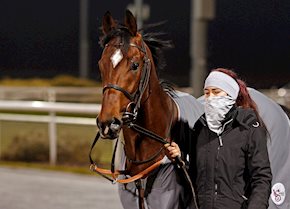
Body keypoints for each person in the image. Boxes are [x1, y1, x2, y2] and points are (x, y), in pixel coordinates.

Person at [166, 68, 272, 209]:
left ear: (231, 95)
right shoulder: (200, 128)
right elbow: (194, 177)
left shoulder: (248, 128)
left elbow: (261, 178)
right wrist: (180, 159)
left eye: (216, 92)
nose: (210, 98)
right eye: (207, 93)